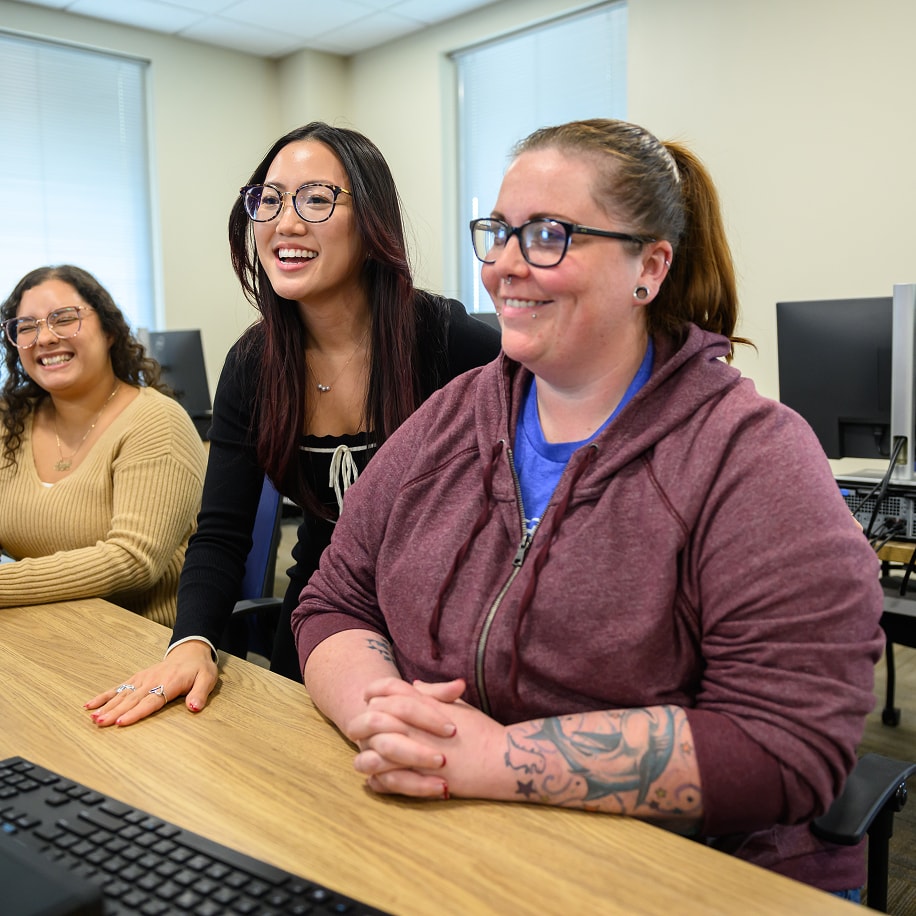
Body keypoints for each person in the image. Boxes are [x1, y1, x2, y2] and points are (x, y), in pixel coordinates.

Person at [290, 119, 885, 896]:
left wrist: (497, 760)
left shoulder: (752, 454)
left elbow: (787, 743)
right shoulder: (452, 418)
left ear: (650, 267)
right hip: (457, 843)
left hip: (687, 874)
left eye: (548, 235)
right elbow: (335, 599)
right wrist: (386, 714)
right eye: (498, 232)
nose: (504, 265)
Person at [87, 121, 500, 725]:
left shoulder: (448, 341)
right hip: (321, 614)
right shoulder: (255, 364)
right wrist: (192, 641)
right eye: (269, 199)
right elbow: (223, 531)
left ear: (371, 221)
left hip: (445, 620)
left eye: (315, 198)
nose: (285, 223)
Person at [0, 265, 206, 624]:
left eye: (63, 319)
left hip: (136, 644)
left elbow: (132, 559)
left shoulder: (156, 422)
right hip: (41, 629)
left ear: (109, 330)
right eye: (27, 327)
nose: (44, 338)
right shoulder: (11, 422)